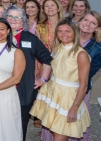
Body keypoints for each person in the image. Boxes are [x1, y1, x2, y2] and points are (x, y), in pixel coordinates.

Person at [40, 11, 101, 140]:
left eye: (93, 23)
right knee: (53, 125)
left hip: (74, 92)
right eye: (86, 20)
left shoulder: (96, 48)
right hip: (56, 91)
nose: (88, 24)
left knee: (69, 126)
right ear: (79, 22)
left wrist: (74, 105)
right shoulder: (63, 41)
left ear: (97, 28)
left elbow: (84, 77)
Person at [30, 20, 91, 140]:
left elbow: (83, 85)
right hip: (53, 93)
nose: (64, 34)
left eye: (67, 31)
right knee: (54, 130)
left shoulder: (81, 54)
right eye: (60, 31)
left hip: (67, 98)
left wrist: (75, 107)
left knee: (60, 134)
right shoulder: (58, 48)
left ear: (75, 33)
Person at [3, 6, 53, 140]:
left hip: (23, 89)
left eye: (17, 17)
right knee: (1, 122)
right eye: (10, 17)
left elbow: (48, 58)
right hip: (1, 88)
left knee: (20, 124)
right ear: (5, 18)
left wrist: (43, 79)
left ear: (23, 20)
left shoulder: (30, 38)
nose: (13, 20)